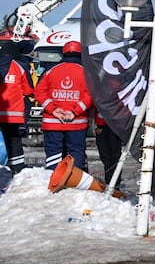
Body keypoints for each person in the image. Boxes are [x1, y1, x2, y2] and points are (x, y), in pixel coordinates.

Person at [34, 41, 91, 172]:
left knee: (53, 154)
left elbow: (39, 92)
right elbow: (90, 96)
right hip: (76, 122)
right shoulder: (86, 73)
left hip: (52, 122)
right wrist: (74, 111)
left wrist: (53, 110)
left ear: (63, 54)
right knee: (76, 152)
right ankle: (75, 182)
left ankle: (53, 180)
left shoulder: (51, 71)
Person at [0, 36, 33, 173]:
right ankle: (17, 170)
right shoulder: (19, 67)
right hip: (13, 115)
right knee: (14, 142)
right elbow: (28, 90)